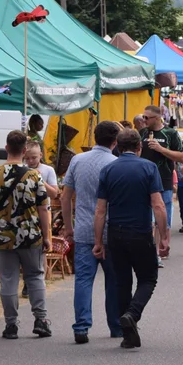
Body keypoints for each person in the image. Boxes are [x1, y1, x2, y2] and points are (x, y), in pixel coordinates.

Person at [93, 129, 170, 349]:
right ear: (139, 147)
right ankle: (132, 314)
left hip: (116, 232)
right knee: (148, 278)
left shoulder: (108, 170)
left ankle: (127, 333)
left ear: (117, 145)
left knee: (122, 281)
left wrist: (98, 241)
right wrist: (164, 236)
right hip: (140, 232)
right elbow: (158, 204)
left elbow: (100, 210)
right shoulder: (148, 168)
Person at [0, 130, 52, 340]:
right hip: (30, 235)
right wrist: (46, 236)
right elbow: (43, 208)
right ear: (25, 150)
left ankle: (11, 325)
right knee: (35, 276)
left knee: (8, 279)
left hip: (3, 236)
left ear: (6, 148)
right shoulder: (34, 175)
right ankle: (41, 320)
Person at [61, 121, 122, 343]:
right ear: (115, 142)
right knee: (114, 281)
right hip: (111, 231)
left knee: (84, 280)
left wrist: (69, 227)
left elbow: (65, 196)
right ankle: (116, 325)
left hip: (84, 229)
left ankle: (81, 326)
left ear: (94, 137)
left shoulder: (77, 160)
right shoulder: (116, 164)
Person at [139, 105, 183, 236]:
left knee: (163, 216)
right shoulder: (142, 133)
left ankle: (163, 248)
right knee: (146, 218)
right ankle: (150, 250)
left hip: (164, 180)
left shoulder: (171, 133)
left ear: (158, 118)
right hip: (144, 181)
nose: (144, 120)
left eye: (147, 117)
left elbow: (182, 157)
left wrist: (161, 149)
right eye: (143, 117)